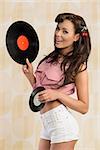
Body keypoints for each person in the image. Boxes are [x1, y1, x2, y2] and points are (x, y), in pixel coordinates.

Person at [22, 13, 91, 150]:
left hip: (62, 126)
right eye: (57, 29)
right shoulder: (49, 59)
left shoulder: (78, 66)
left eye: (65, 31)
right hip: (47, 124)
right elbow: (42, 93)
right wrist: (30, 76)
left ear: (76, 37)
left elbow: (84, 107)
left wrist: (58, 95)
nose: (58, 34)